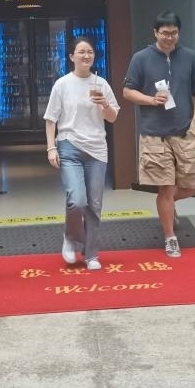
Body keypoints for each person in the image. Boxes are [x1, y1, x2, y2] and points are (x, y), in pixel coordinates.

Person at [122, 11, 195, 258]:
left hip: (185, 131)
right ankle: (170, 237)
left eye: (174, 33)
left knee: (194, 185)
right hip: (155, 133)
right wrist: (150, 99)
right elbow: (127, 91)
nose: (170, 37)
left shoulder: (189, 56)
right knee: (166, 189)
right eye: (165, 33)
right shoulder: (141, 58)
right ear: (155, 33)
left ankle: (167, 206)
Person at [43, 37, 119, 271]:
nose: (86, 56)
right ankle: (70, 237)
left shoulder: (101, 84)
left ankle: (91, 254)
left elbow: (113, 118)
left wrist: (104, 104)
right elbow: (50, 119)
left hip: (97, 149)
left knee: (94, 205)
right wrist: (51, 148)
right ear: (71, 56)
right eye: (81, 52)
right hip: (69, 145)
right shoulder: (62, 84)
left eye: (90, 52)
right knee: (77, 201)